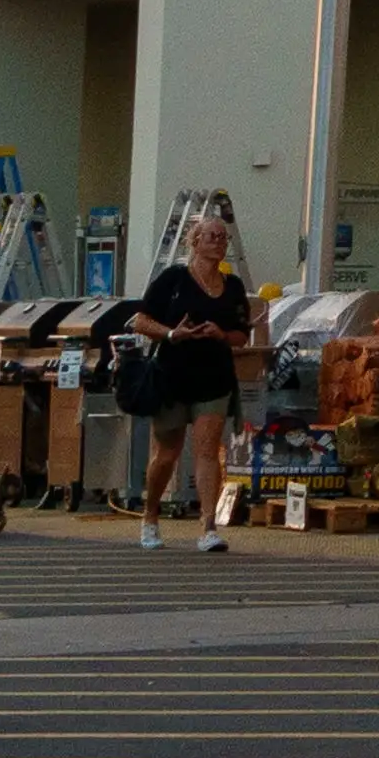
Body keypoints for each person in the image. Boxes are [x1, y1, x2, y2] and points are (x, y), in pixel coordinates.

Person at [127, 210, 259, 552]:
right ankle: (150, 515)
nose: (218, 242)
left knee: (206, 450)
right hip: (173, 374)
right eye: (211, 236)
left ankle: (208, 526)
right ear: (195, 241)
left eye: (223, 237)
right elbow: (140, 321)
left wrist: (221, 334)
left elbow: (242, 336)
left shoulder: (233, 287)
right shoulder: (173, 279)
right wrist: (172, 333)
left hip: (214, 377)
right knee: (167, 453)